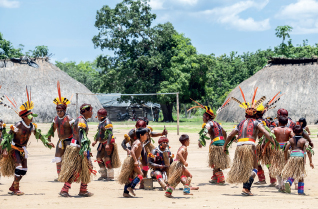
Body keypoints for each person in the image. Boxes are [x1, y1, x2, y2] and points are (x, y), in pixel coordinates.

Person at [0, 88, 54, 195]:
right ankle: (16, 188)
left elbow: (39, 136)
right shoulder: (17, 125)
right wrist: (5, 150)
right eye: (30, 115)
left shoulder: (32, 126)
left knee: (24, 170)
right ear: (24, 117)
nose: (32, 117)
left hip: (23, 150)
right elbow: (7, 137)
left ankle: (13, 186)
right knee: (19, 167)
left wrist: (47, 143)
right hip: (14, 148)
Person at [224, 86, 275, 196]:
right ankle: (246, 188)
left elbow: (230, 134)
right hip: (250, 145)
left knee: (244, 167)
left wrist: (224, 146)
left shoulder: (241, 123)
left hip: (239, 146)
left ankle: (245, 188)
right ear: (255, 114)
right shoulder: (257, 123)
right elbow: (265, 132)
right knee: (254, 168)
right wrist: (272, 140)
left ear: (245, 114)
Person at [58, 104, 95, 197]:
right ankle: (64, 190)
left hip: (79, 146)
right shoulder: (81, 120)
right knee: (75, 169)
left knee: (86, 168)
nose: (92, 112)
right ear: (85, 111)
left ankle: (83, 190)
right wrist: (84, 149)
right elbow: (81, 135)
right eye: (90, 110)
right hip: (78, 147)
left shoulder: (81, 119)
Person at [121, 119, 167, 188]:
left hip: (143, 147)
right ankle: (129, 184)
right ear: (136, 128)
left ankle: (142, 182)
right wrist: (127, 150)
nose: (142, 131)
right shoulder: (131, 133)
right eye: (140, 129)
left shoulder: (146, 131)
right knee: (132, 169)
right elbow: (123, 143)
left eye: (143, 129)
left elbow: (151, 134)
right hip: (134, 149)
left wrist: (161, 133)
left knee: (146, 164)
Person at [47, 81, 75, 181]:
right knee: (58, 158)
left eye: (61, 111)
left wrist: (76, 141)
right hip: (60, 141)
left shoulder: (69, 118)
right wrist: (49, 139)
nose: (59, 112)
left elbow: (76, 129)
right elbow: (52, 129)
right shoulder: (55, 119)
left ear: (65, 110)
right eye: (57, 111)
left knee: (68, 159)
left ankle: (67, 176)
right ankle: (60, 176)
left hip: (69, 141)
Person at [282, 125, 314, 195]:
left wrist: (286, 159)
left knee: (293, 171)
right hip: (300, 157)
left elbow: (285, 149)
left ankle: (289, 182)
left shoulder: (291, 140)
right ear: (302, 132)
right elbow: (308, 151)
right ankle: (300, 191)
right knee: (300, 173)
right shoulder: (304, 140)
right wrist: (310, 162)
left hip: (292, 156)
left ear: (293, 132)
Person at [118, 128, 148, 197]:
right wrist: (135, 161)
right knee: (141, 174)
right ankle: (131, 187)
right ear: (141, 135)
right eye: (146, 134)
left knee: (130, 177)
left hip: (132, 161)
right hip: (132, 161)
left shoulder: (140, 141)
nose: (147, 135)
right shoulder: (138, 142)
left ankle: (125, 193)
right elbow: (132, 151)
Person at [92, 108, 121, 181]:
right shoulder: (101, 122)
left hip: (108, 142)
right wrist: (95, 141)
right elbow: (99, 133)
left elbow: (110, 134)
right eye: (97, 115)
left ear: (102, 116)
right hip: (102, 143)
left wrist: (108, 144)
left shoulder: (107, 122)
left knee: (107, 158)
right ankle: (103, 174)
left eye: (98, 115)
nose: (97, 117)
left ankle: (110, 176)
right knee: (98, 158)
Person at [270, 116, 294, 192]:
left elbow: (269, 137)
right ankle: (284, 184)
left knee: (278, 167)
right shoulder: (289, 130)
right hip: (286, 151)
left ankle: (280, 185)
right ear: (287, 123)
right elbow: (294, 139)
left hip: (277, 151)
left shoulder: (274, 130)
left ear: (278, 122)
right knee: (286, 167)